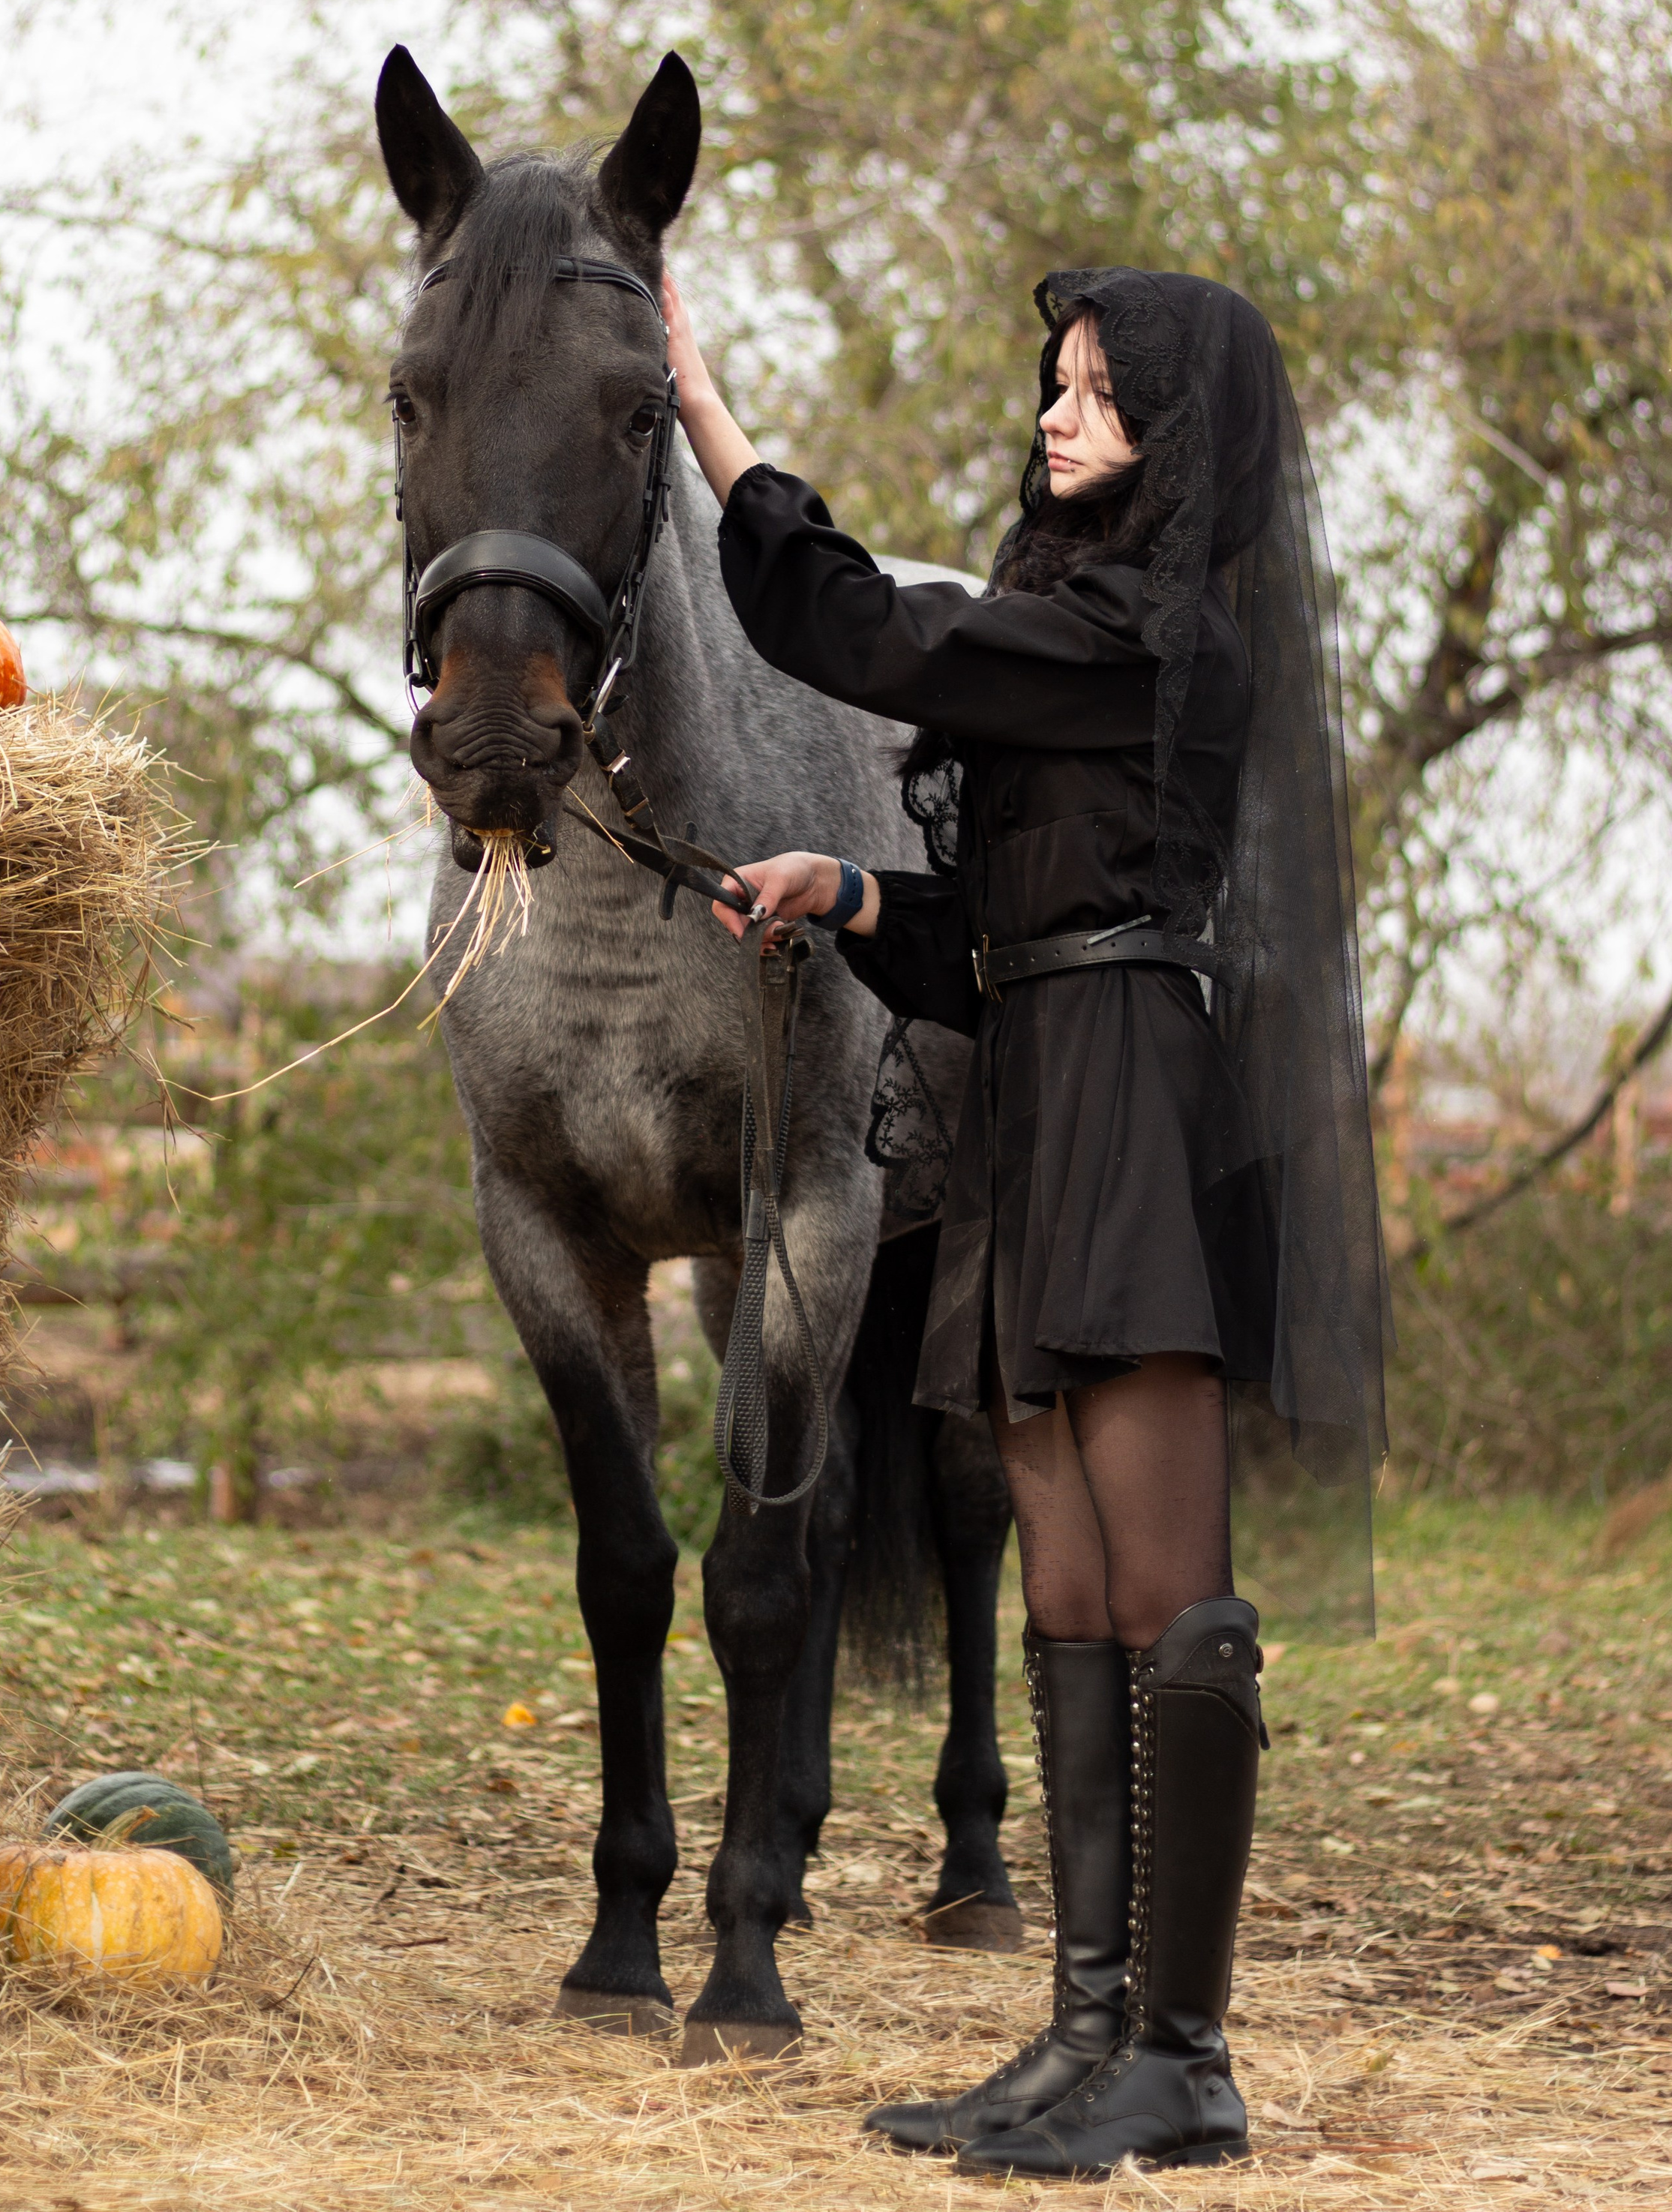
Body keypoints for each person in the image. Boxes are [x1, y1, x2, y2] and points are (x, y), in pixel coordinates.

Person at [661, 263, 1388, 2180]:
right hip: (1046, 1084)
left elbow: (864, 634)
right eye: (1053, 388)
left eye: (1097, 397)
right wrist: (854, 896)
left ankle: (1186, 2055)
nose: (1055, 418)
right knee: (1064, 1587)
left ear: (1181, 439)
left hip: (1134, 1098)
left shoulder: (1153, 641)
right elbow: (1011, 943)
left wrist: (708, 415)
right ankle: (1083, 2029)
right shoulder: (1077, 632)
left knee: (1171, 1605)